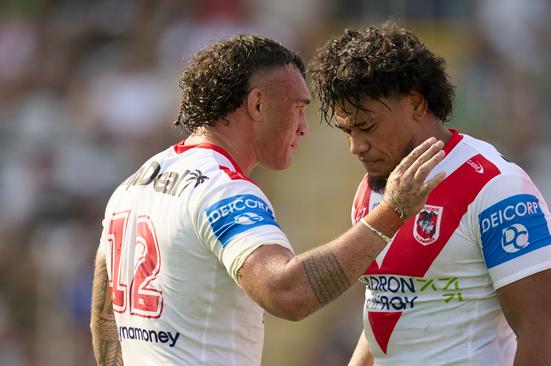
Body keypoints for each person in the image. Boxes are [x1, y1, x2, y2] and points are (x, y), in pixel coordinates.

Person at [89, 34, 447, 366]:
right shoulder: (222, 187)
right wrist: (392, 211)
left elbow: (104, 321)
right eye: (298, 107)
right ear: (258, 104)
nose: (305, 127)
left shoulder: (134, 184)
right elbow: (287, 292)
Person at [309, 21, 551, 366]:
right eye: (347, 131)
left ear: (416, 103)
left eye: (367, 127)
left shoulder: (498, 187)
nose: (356, 146)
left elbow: (545, 333)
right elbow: (386, 313)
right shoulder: (374, 186)